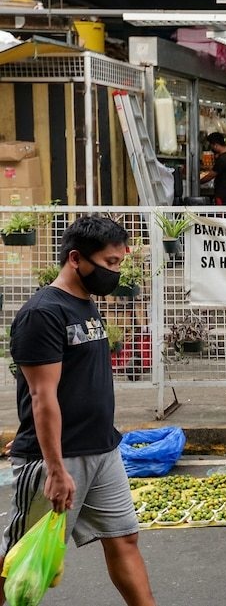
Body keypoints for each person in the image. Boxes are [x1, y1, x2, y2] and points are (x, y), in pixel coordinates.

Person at [1, 216, 155, 605]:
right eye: (110, 263)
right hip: (57, 456)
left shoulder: (85, 304)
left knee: (124, 537)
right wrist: (55, 470)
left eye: (119, 262)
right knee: (19, 557)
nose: (115, 273)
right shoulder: (43, 314)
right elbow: (42, 397)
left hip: (103, 450)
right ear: (76, 259)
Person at [200, 131, 226, 205]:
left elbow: (211, 175)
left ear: (215, 145)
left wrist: (198, 182)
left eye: (211, 146)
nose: (211, 148)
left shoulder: (222, 159)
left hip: (223, 193)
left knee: (222, 215)